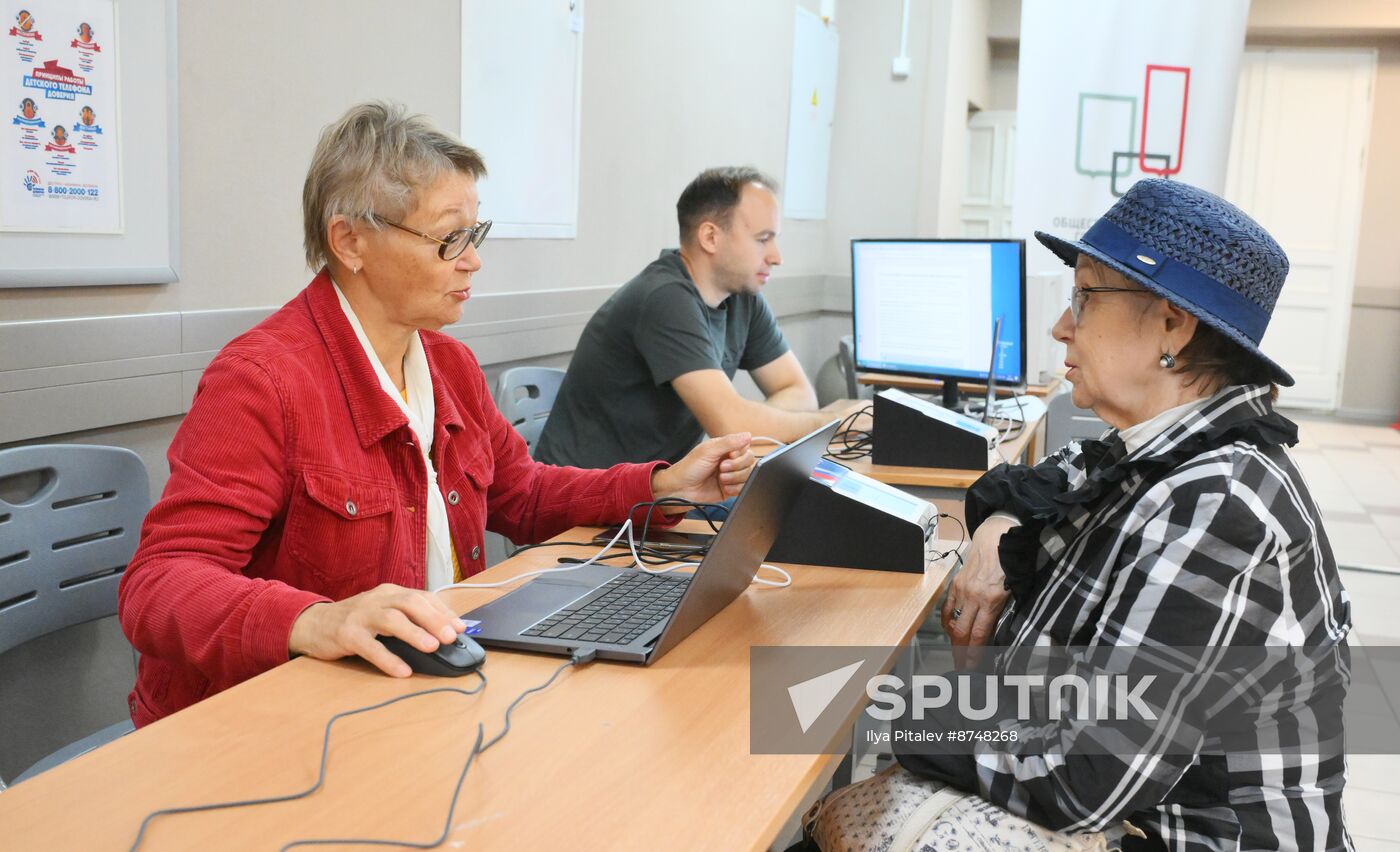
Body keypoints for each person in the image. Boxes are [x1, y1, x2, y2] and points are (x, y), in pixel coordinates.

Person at [117, 102, 756, 727]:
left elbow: (524, 493)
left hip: (426, 692)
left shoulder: (447, 364)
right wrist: (314, 619)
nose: (473, 259)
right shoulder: (261, 382)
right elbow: (159, 584)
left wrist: (662, 487)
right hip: (280, 721)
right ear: (350, 241)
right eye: (451, 238)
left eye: (475, 235)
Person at [893, 180, 1352, 850]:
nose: (1060, 326)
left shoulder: (1219, 503)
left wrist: (889, 715)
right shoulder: (1152, 449)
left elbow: (1078, 777)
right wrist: (994, 535)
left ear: (1172, 323)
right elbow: (1037, 481)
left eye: (1085, 295)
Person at [535, 167, 850, 469]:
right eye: (762, 239)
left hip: (663, 490)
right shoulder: (664, 298)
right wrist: (834, 422)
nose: (776, 256)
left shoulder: (742, 296)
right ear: (710, 237)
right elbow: (731, 425)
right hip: (590, 507)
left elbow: (799, 393)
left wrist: (753, 426)